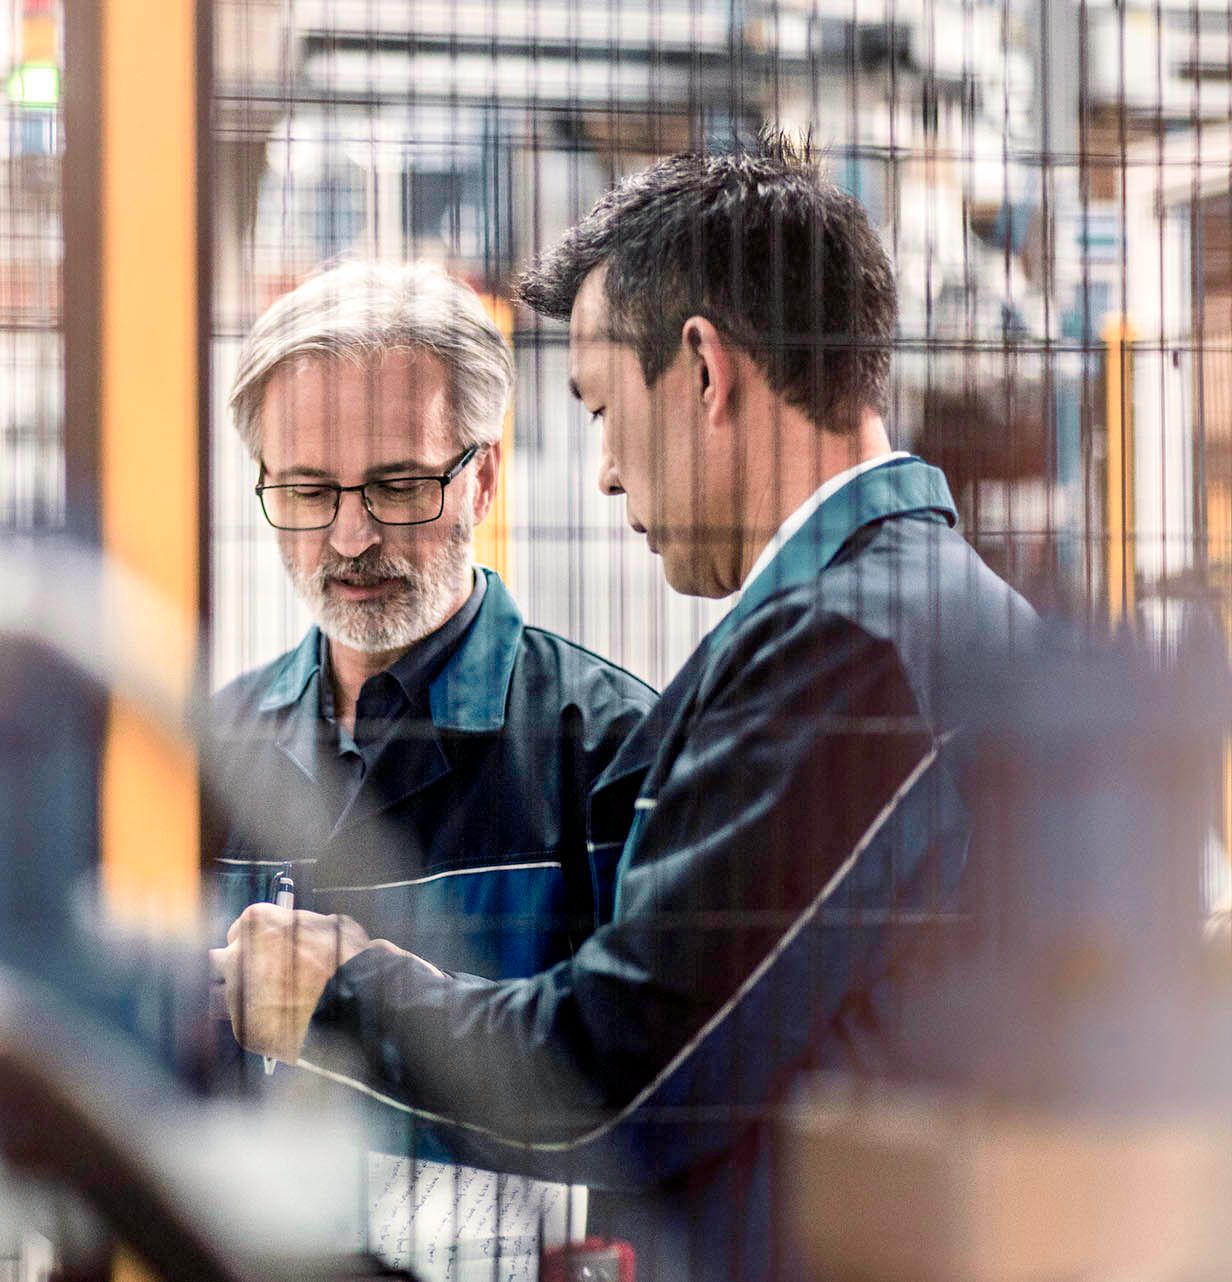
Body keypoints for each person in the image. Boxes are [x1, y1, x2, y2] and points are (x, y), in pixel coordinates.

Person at [211, 136, 1038, 1279]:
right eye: (307, 491)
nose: (603, 472)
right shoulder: (916, 619)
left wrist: (340, 990)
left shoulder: (846, 651)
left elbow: (622, 1080)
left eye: (600, 407)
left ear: (702, 370)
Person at [207, 260, 655, 1007]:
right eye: (309, 491)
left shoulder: (610, 754)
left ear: (483, 479)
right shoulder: (216, 754)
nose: (351, 536)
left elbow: (639, 1085)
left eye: (400, 486)